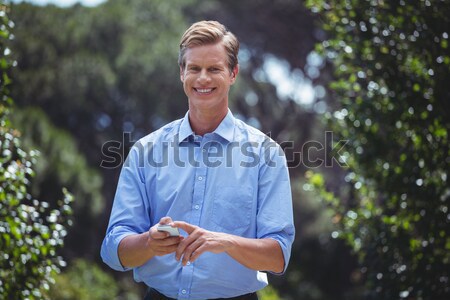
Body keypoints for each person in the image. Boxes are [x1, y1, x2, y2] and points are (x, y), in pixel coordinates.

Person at [101, 20, 295, 300]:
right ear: (182, 73)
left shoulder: (267, 154)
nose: (203, 78)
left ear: (233, 73)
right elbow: (112, 250)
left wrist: (225, 242)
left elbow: (278, 257)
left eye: (214, 69)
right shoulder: (145, 151)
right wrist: (149, 242)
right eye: (194, 68)